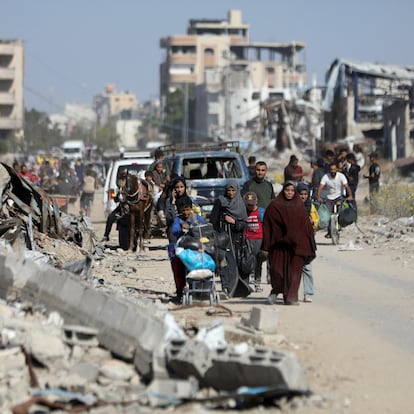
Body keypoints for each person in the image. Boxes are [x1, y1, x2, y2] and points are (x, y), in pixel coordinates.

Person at [263, 181, 316, 306]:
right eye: (287, 190)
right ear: (283, 191)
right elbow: (267, 225)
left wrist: (309, 244)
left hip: (296, 247)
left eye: (292, 191)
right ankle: (275, 291)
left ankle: (291, 297)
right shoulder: (275, 205)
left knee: (294, 274)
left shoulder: (299, 206)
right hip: (279, 246)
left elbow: (306, 228)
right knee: (277, 272)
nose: (290, 193)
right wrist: (266, 245)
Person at [210, 180, 250, 297]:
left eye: (233, 190)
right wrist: (222, 220)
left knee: (237, 264)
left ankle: (239, 289)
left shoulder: (240, 203)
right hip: (223, 239)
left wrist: (234, 222)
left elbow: (244, 224)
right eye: (229, 190)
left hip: (237, 240)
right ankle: (226, 287)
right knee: (224, 264)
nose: (231, 193)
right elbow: (213, 220)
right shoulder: (220, 202)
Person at [171, 195, 205, 300]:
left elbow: (204, 228)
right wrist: (181, 229)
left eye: (187, 210)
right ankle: (180, 290)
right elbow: (174, 231)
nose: (186, 212)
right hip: (183, 248)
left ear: (191, 208)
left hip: (196, 247)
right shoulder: (178, 220)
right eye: (183, 210)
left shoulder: (197, 218)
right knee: (177, 265)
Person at [165, 176, 191, 302]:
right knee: (176, 264)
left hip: (187, 237)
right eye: (177, 188)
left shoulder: (189, 200)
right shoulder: (169, 202)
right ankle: (179, 290)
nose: (180, 190)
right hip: (173, 236)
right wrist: (173, 202)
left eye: (181, 187)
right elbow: (169, 218)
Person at [317, 163, 353, 238]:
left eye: (334, 169)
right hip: (329, 197)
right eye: (331, 170)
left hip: (339, 196)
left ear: (337, 169)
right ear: (329, 170)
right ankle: (330, 231)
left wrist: (350, 196)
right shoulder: (326, 177)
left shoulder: (341, 176)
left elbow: (346, 186)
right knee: (328, 215)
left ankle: (339, 224)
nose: (332, 171)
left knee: (339, 211)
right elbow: (320, 187)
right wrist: (319, 197)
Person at [297, 182, 319, 303]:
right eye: (301, 194)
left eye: (305, 194)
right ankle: (292, 291)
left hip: (306, 242)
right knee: (294, 268)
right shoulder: (292, 205)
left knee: (307, 268)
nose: (303, 197)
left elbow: (316, 222)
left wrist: (312, 223)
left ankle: (308, 293)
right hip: (294, 242)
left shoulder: (310, 206)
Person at [243, 191, 265, 292]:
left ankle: (257, 282)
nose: (250, 207)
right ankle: (246, 282)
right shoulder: (244, 212)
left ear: (257, 202)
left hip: (259, 239)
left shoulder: (261, 212)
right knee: (247, 261)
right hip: (247, 239)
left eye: (252, 204)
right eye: (248, 204)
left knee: (258, 261)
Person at [101, 169, 128, 242]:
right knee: (110, 218)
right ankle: (106, 236)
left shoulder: (129, 187)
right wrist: (118, 195)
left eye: (123, 179)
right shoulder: (119, 188)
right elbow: (116, 200)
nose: (121, 182)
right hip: (121, 207)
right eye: (120, 180)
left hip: (129, 208)